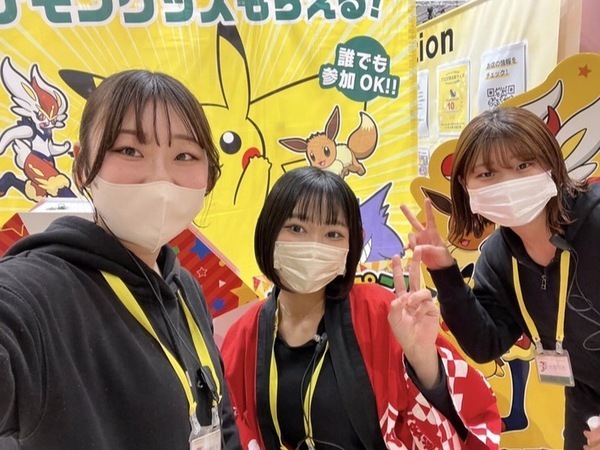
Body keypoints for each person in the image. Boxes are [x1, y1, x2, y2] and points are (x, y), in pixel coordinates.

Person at [0, 70, 241, 449]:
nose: (160, 179)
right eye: (130, 150)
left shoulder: (186, 289)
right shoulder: (40, 292)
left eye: (184, 155)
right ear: (82, 165)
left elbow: (218, 414)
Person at [221, 166, 500, 450]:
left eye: (333, 234)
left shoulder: (384, 312)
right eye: (296, 228)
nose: (314, 245)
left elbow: (467, 419)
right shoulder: (244, 334)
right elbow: (227, 428)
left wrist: (423, 361)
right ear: (268, 231)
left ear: (351, 246)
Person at [401, 106, 600, 450]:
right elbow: (485, 344)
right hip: (586, 405)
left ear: (551, 163)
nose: (508, 184)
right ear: (465, 185)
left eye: (523, 165)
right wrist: (445, 273)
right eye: (487, 174)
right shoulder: (498, 257)